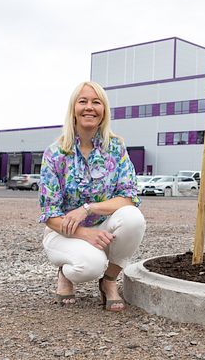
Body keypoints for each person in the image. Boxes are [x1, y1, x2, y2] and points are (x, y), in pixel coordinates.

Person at [38, 81, 146, 311]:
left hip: (103, 226)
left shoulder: (116, 148)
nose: (89, 107)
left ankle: (108, 281)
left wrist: (88, 208)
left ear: (104, 111)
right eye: (83, 101)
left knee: (133, 218)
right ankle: (65, 273)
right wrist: (85, 233)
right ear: (73, 109)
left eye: (96, 102)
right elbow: (49, 214)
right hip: (63, 232)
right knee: (89, 266)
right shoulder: (55, 153)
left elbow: (128, 197)